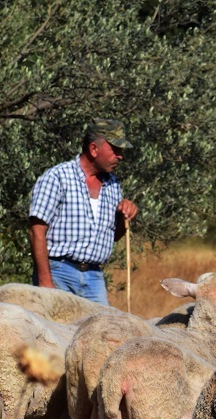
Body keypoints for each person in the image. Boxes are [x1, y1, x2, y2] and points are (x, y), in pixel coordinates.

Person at [28, 118, 139, 305]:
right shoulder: (57, 177)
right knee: (57, 332)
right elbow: (36, 231)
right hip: (59, 272)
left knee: (102, 331)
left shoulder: (113, 185)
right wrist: (45, 282)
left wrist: (123, 216)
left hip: (94, 277)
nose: (120, 156)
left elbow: (113, 236)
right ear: (94, 149)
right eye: (115, 149)